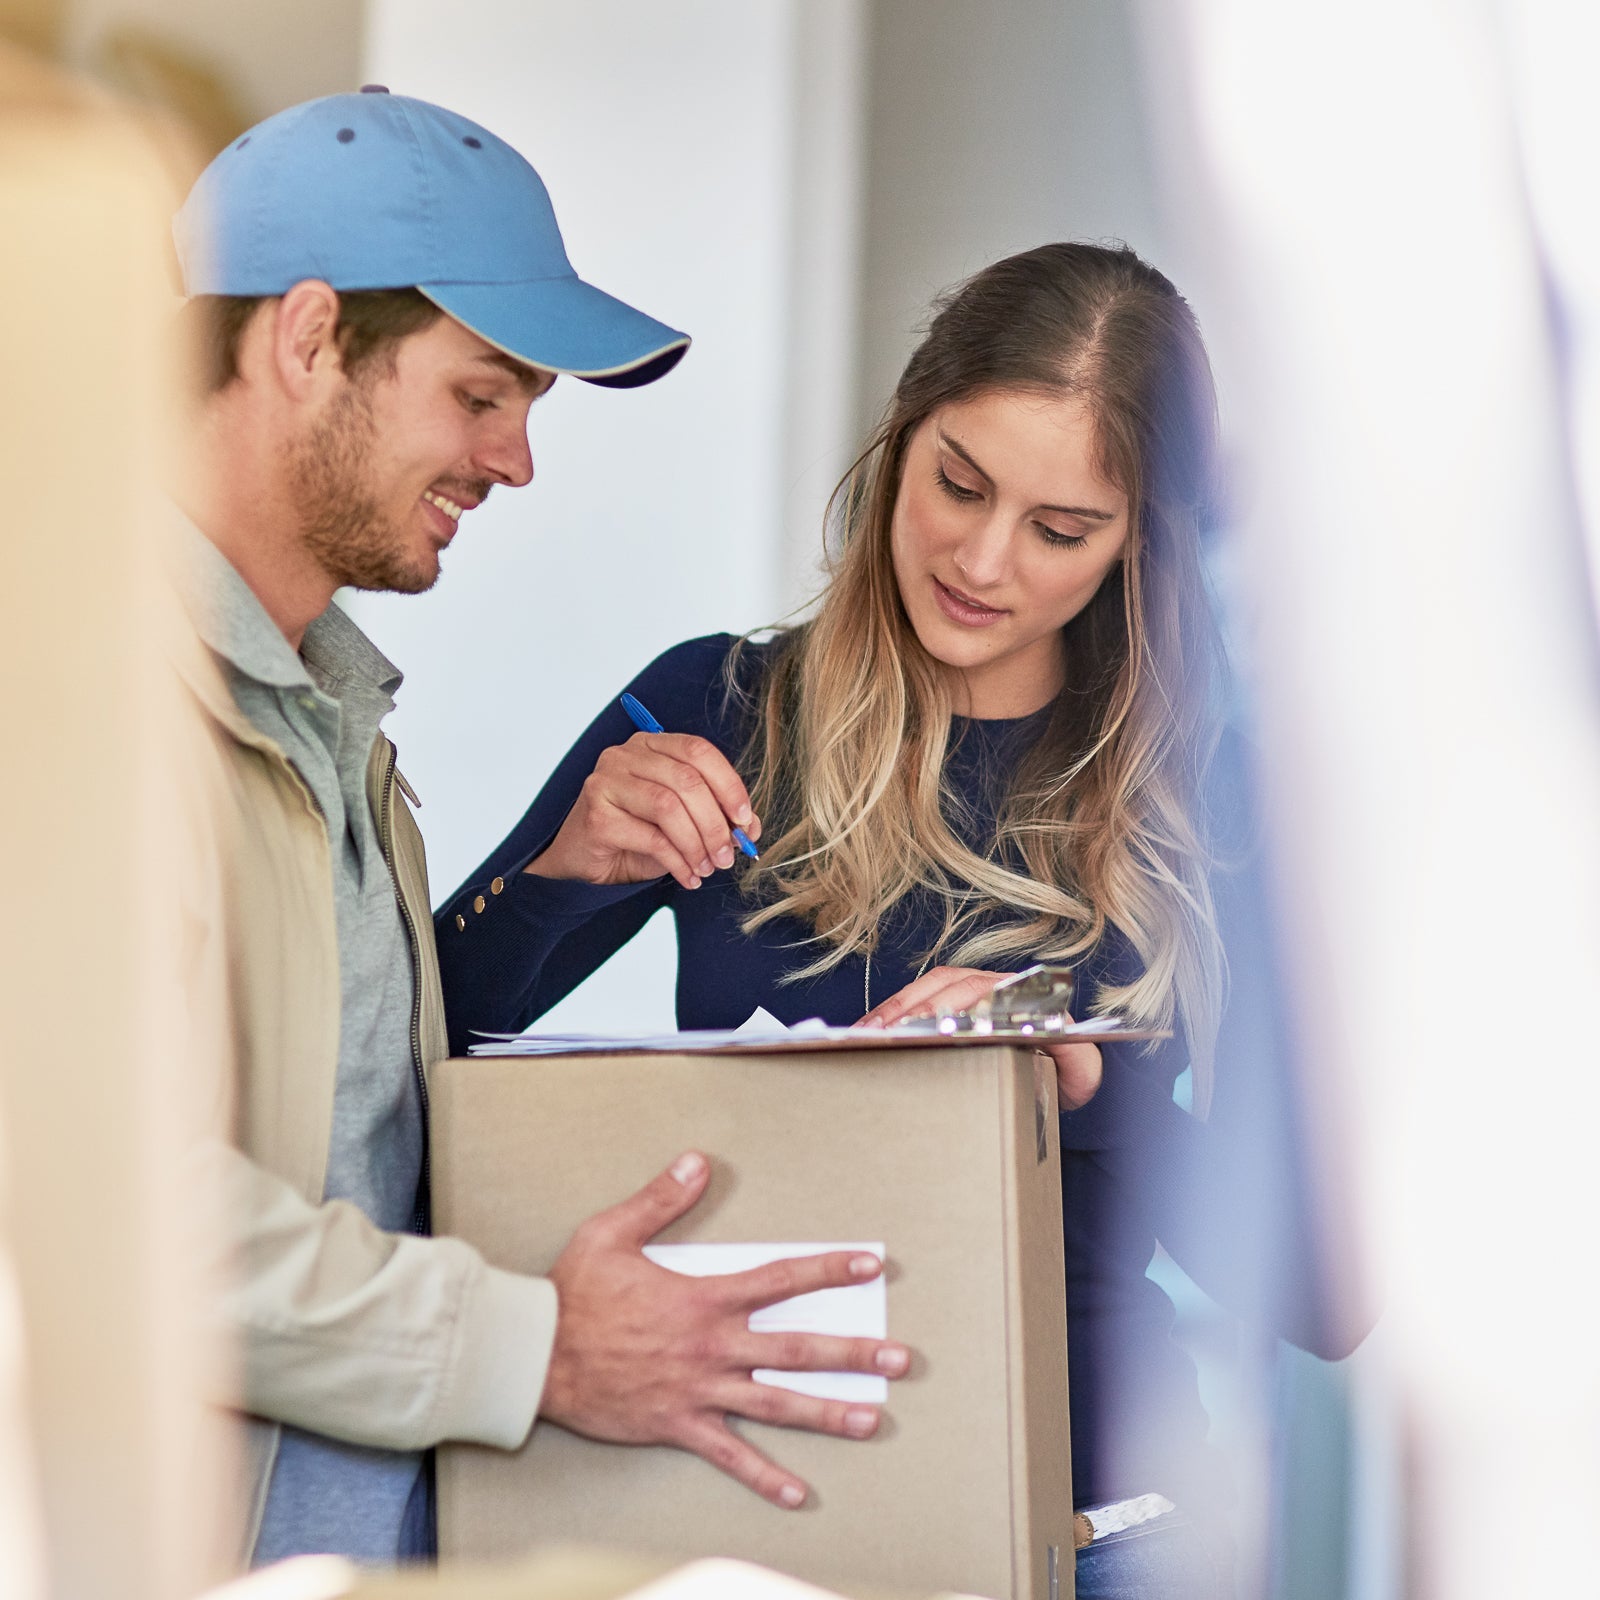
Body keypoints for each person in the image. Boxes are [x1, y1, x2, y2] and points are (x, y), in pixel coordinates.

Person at [437, 243, 1369, 1596]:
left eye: (1061, 530)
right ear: (900, 437)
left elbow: (1335, 1309)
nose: (985, 560)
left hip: (1105, 1534)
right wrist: (560, 875)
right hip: (769, 1520)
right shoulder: (715, 710)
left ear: (1138, 546)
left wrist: (1070, 1082)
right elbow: (405, 1064)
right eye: (960, 483)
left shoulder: (1220, 809)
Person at [167, 88, 910, 1571]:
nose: (514, 464)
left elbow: (364, 1151)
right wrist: (544, 1347)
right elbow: (115, 1217)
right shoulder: (78, 709)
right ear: (308, 339)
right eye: (481, 393)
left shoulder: (332, 734)